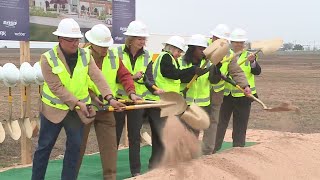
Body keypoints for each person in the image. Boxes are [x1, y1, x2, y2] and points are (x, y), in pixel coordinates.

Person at [32, 18, 122, 180]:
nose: (75, 43)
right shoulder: (47, 58)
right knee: (44, 147)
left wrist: (110, 98)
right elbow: (56, 87)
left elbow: (97, 77)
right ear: (60, 39)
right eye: (71, 40)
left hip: (76, 112)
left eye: (77, 40)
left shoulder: (85, 55)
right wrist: (78, 103)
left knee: (75, 147)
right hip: (54, 109)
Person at [76, 24, 140, 180]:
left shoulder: (113, 57)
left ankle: (110, 177)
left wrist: (131, 93)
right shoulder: (81, 56)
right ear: (92, 44)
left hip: (107, 108)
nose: (105, 49)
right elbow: (79, 81)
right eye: (102, 46)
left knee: (110, 148)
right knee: (78, 147)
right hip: (87, 107)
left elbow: (125, 76)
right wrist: (92, 96)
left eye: (107, 45)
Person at [143, 35, 208, 169]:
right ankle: (161, 165)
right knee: (163, 135)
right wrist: (192, 70)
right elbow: (172, 74)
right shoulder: (166, 57)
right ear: (172, 48)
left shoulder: (165, 58)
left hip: (166, 102)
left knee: (160, 136)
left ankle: (158, 164)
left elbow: (173, 75)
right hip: (162, 103)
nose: (179, 54)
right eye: (178, 51)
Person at [202, 24, 251, 155]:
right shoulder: (201, 47)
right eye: (219, 39)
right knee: (193, 121)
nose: (222, 43)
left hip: (216, 93)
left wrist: (245, 86)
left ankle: (208, 152)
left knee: (213, 122)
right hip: (198, 92)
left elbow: (236, 71)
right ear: (213, 37)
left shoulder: (229, 53)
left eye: (225, 41)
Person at [112, 20, 152, 177]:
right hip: (119, 99)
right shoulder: (117, 53)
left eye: (144, 39)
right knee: (114, 135)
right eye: (139, 38)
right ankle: (111, 170)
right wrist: (131, 77)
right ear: (130, 39)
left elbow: (148, 78)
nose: (142, 42)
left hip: (137, 101)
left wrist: (155, 89)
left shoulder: (147, 55)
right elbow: (113, 76)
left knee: (135, 136)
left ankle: (135, 171)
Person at [215, 28, 261, 150]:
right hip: (226, 94)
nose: (239, 44)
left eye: (241, 42)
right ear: (231, 42)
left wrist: (253, 63)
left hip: (244, 96)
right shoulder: (226, 54)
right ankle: (214, 149)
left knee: (240, 125)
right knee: (220, 123)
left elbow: (257, 71)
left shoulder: (249, 56)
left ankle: (238, 149)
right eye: (236, 42)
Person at [178, 34, 220, 137]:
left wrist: (217, 69)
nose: (203, 51)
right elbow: (177, 78)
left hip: (202, 104)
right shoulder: (180, 62)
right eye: (200, 49)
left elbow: (214, 81)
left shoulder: (208, 63)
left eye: (204, 49)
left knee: (195, 132)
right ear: (192, 49)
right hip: (185, 103)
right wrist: (192, 73)